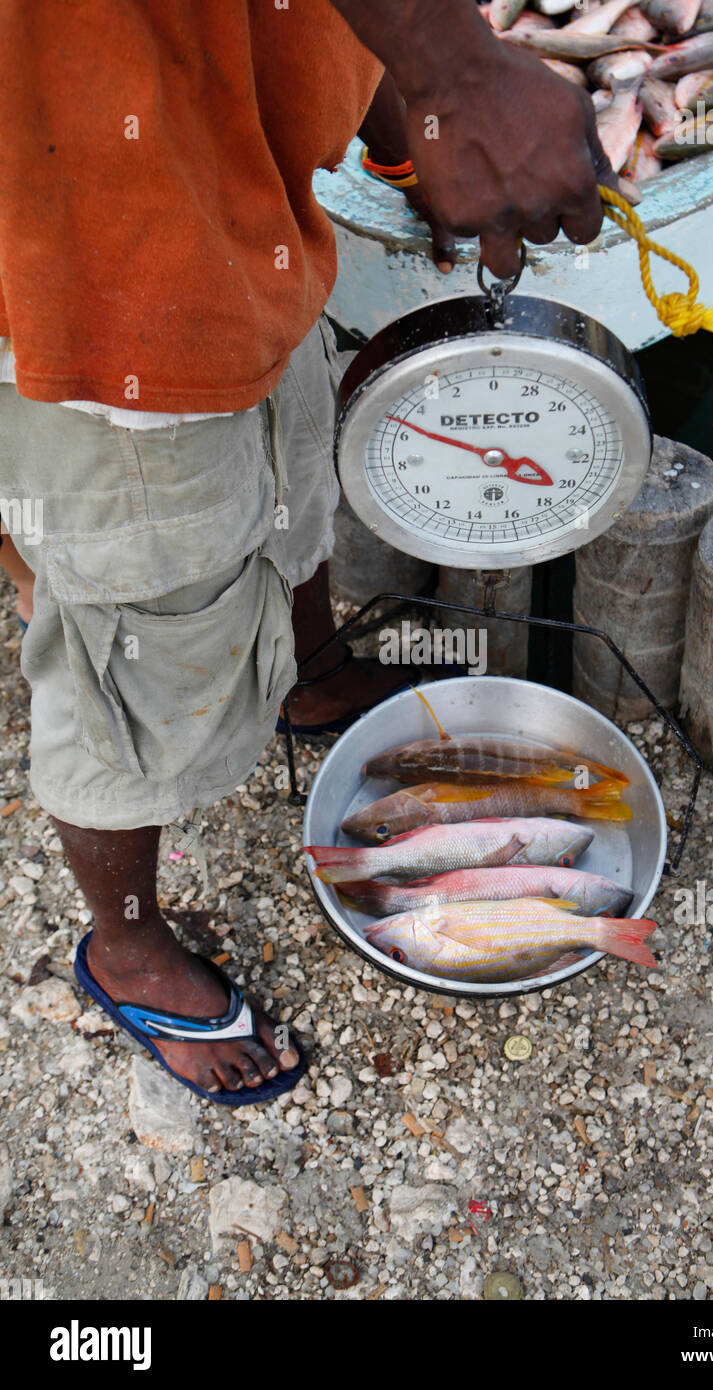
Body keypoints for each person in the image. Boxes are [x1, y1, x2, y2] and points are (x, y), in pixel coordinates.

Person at [0, 0, 622, 1104]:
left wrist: (402, 118)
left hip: (234, 207)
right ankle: (126, 947)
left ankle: (307, 674)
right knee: (133, 624)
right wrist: (454, 72)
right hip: (99, 271)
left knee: (290, 472)